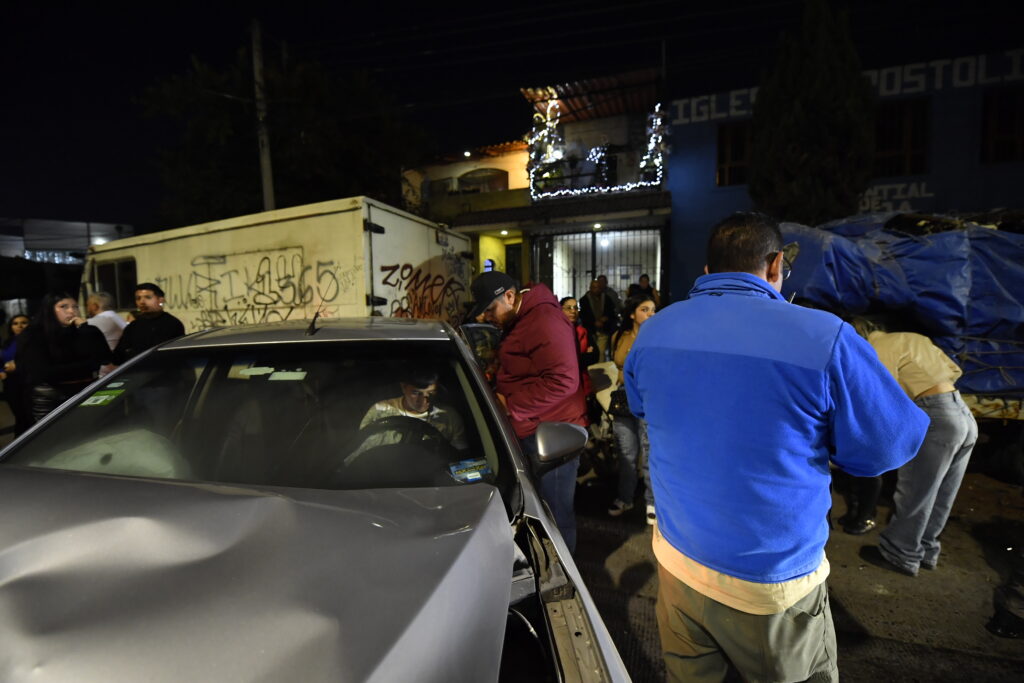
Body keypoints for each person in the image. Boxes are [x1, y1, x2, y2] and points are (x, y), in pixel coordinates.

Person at [624, 212, 929, 683]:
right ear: (774, 265)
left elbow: (642, 406)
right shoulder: (823, 336)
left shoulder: (655, 331)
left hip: (678, 563)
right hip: (769, 585)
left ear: (708, 271)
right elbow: (887, 447)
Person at [468, 271, 587, 552]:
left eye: (490, 309)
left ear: (509, 296)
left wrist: (510, 405)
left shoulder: (544, 320)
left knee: (555, 515)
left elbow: (563, 380)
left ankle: (563, 569)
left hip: (553, 436)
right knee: (540, 509)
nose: (486, 317)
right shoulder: (523, 318)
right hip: (534, 427)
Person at [852, 318, 979, 577]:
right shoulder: (913, 338)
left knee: (915, 490)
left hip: (935, 415)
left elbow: (883, 391)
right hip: (963, 413)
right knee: (942, 492)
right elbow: (954, 370)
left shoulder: (878, 347)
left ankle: (900, 554)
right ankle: (926, 550)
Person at [16, 293, 111, 422]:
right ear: (49, 309)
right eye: (64, 306)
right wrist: (88, 365)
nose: (71, 311)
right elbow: (43, 371)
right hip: (51, 397)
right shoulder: (34, 335)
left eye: (75, 306)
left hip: (85, 392)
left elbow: (105, 357)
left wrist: (87, 329)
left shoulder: (81, 331)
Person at [608, 294, 656, 524]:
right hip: (623, 398)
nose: (650, 314)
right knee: (626, 452)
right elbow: (615, 364)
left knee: (649, 452)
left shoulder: (658, 336)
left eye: (653, 310)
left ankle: (651, 502)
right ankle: (625, 497)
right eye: (644, 309)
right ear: (632, 314)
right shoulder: (619, 336)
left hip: (647, 399)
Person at [358, 368, 467, 450]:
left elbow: (459, 454)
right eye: (416, 393)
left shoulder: (449, 416)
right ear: (403, 387)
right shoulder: (381, 410)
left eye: (431, 392)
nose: (424, 400)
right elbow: (362, 446)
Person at [112, 283, 185, 364]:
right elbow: (118, 356)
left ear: (160, 300)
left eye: (148, 297)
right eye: (138, 298)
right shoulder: (133, 326)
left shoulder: (172, 324)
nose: (142, 302)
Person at [1, 314, 32, 436]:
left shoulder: (33, 341)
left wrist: (17, 366)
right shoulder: (8, 342)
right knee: (19, 415)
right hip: (10, 384)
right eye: (15, 323)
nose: (19, 326)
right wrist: (1, 371)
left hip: (27, 382)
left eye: (24, 322)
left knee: (27, 417)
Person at [83, 291, 127, 377]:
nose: (87, 308)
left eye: (88, 305)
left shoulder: (91, 323)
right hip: (120, 367)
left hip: (103, 372)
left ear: (94, 306)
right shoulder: (119, 319)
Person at [579, 279, 618, 362]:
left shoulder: (606, 299)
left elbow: (611, 312)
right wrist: (593, 322)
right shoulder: (584, 300)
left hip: (603, 329)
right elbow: (584, 315)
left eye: (598, 287)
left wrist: (605, 318)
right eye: (594, 287)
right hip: (590, 330)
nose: (596, 289)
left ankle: (599, 367)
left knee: (601, 352)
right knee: (591, 351)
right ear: (590, 288)